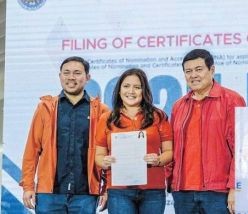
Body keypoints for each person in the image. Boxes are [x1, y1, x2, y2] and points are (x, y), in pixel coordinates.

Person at [20, 56, 109, 213]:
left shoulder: (101, 111)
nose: (71, 77)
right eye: (66, 73)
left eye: (77, 73)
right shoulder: (45, 109)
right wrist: (28, 186)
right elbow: (32, 150)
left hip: (86, 195)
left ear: (87, 77)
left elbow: (108, 154)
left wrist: (106, 188)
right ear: (60, 76)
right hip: (49, 195)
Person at [169, 49, 246, 214]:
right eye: (188, 71)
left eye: (199, 69)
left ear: (212, 70)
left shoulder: (232, 100)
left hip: (218, 192)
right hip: (183, 193)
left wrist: (235, 187)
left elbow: (241, 148)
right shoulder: (178, 106)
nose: (193, 75)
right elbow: (172, 148)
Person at [95, 68, 173, 214]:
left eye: (137, 87)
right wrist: (104, 161)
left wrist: (158, 159)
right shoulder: (106, 118)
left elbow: (169, 152)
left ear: (144, 91)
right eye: (126, 86)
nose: (131, 91)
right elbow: (98, 156)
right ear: (119, 90)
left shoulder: (158, 116)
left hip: (153, 190)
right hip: (119, 190)